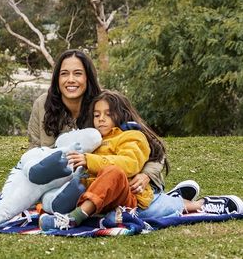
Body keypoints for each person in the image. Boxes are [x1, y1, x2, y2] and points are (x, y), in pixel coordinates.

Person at [40, 91, 240, 230]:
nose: (101, 119)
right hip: (103, 201)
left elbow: (129, 164)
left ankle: (73, 219)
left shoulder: (132, 136)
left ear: (121, 114)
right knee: (111, 213)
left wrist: (89, 160)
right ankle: (76, 213)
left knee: (115, 174)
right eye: (97, 114)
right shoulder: (95, 140)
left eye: (108, 114)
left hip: (128, 195)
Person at [26, 49, 166, 197]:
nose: (71, 79)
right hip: (57, 185)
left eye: (78, 73)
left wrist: (146, 175)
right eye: (64, 73)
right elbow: (34, 149)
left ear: (88, 77)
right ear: (57, 78)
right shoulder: (42, 104)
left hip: (105, 184)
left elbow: (155, 147)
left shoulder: (106, 104)